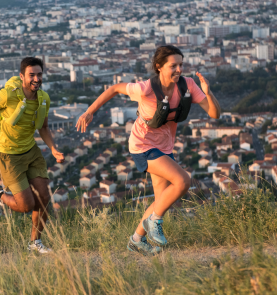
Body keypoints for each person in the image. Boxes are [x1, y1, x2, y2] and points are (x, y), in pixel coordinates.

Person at [76, 45, 221, 255]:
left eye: (181, 64)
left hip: (164, 147)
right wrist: (89, 111)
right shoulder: (146, 88)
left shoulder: (187, 85)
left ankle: (136, 240)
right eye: (173, 65)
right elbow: (114, 88)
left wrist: (208, 93)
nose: (179, 69)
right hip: (142, 145)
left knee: (161, 200)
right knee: (183, 181)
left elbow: (214, 113)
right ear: (159, 67)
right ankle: (155, 221)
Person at [0, 57, 64, 254]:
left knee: (44, 198)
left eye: (39, 74)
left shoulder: (43, 99)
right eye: (31, 75)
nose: (36, 79)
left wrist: (53, 148)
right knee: (26, 206)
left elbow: (43, 127)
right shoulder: (8, 95)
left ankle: (35, 242)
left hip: (31, 151)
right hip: (9, 156)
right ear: (22, 76)